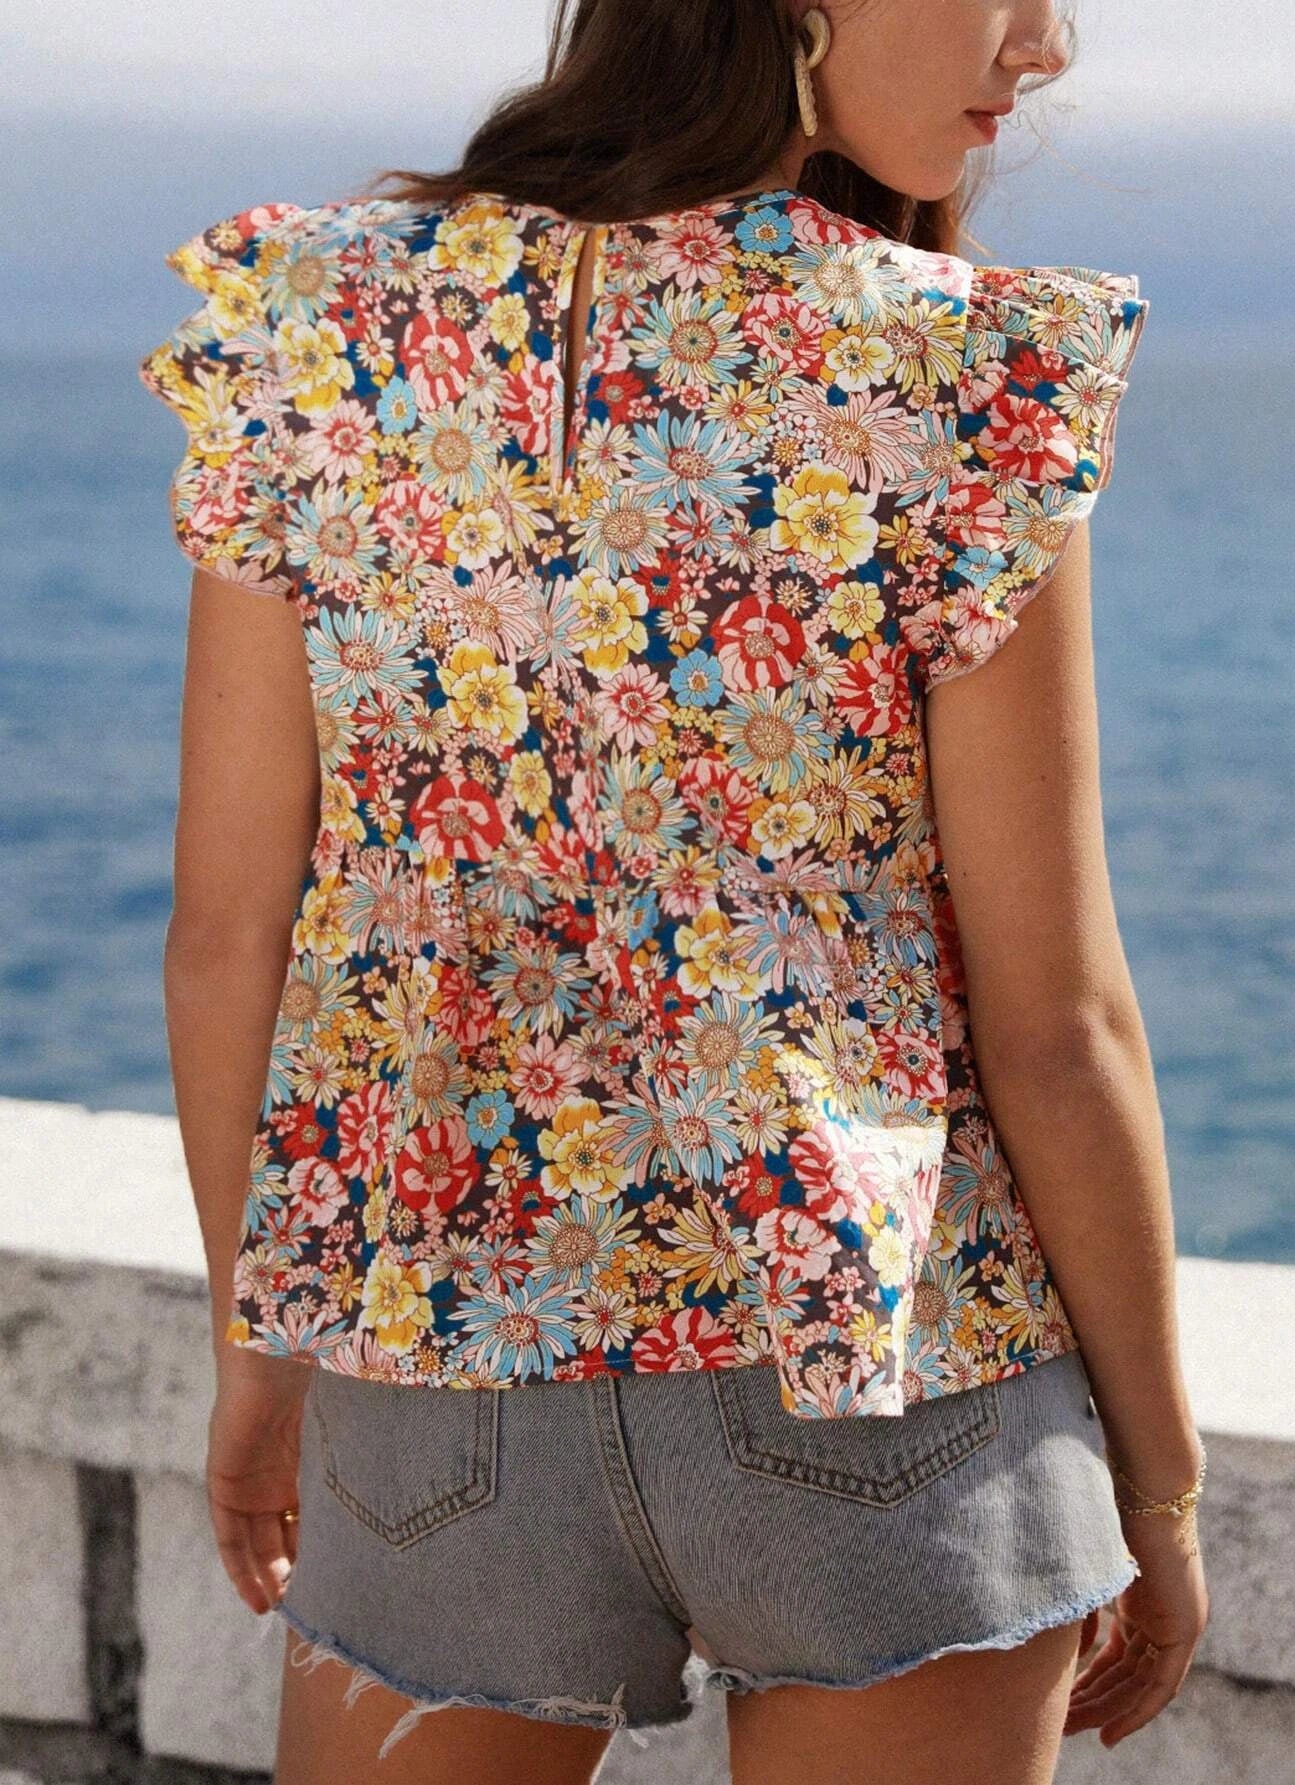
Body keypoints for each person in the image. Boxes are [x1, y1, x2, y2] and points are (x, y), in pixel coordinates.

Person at [138, 3, 1209, 1781]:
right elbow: (1059, 1023)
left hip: (439, 1356)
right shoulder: (958, 371)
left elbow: (224, 936)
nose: (1046, 46)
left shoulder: (315, 326)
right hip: (886, 1367)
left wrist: (263, 1357)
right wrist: (1160, 1488)